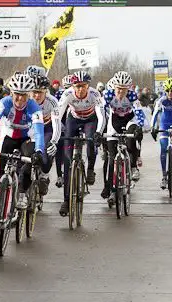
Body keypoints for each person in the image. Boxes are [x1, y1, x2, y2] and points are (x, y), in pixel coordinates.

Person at [0, 73, 45, 243]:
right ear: (12, 93)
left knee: (29, 160)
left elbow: (38, 132)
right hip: (8, 137)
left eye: (24, 94)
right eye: (17, 94)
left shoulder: (34, 107)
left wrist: (39, 150)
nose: (20, 98)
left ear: (28, 95)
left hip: (26, 138)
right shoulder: (4, 103)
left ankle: (22, 194)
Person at [54, 70, 104, 217]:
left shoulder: (95, 94)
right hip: (73, 119)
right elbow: (58, 115)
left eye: (83, 86)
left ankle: (90, 170)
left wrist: (99, 132)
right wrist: (57, 134)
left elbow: (101, 115)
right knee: (68, 162)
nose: (80, 89)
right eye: (77, 86)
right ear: (73, 86)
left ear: (88, 86)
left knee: (90, 141)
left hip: (90, 119)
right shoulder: (67, 94)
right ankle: (66, 201)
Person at [101, 71, 145, 203]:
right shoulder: (108, 95)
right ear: (114, 87)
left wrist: (140, 126)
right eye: (118, 89)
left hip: (129, 119)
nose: (120, 92)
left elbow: (139, 112)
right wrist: (99, 130)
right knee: (111, 158)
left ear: (128, 88)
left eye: (124, 89)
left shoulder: (132, 96)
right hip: (114, 121)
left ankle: (132, 166)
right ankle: (111, 190)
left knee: (132, 137)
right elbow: (101, 111)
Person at [150, 78, 172, 189]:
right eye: (168, 90)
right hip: (165, 124)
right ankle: (164, 177)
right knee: (163, 148)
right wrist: (152, 127)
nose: (170, 93)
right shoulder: (161, 100)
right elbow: (155, 114)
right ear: (165, 91)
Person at [32, 75, 62, 196]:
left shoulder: (53, 101)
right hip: (31, 128)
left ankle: (44, 175)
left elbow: (57, 124)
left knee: (46, 151)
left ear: (46, 91)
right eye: (34, 92)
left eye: (40, 92)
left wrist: (54, 141)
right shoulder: (27, 100)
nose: (37, 96)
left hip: (47, 128)